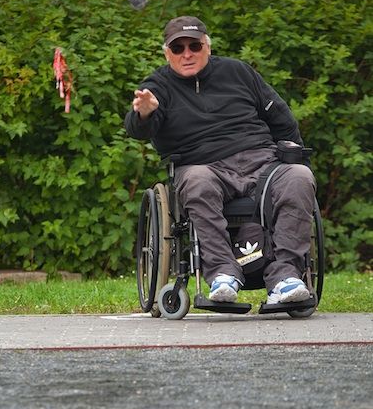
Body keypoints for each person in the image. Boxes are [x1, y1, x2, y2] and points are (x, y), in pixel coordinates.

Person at [125, 16, 316, 305]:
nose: (187, 54)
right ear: (167, 53)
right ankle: (222, 275)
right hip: (203, 166)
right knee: (197, 181)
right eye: (178, 48)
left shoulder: (238, 72)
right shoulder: (158, 86)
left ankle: (285, 278)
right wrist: (145, 113)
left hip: (260, 158)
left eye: (194, 45)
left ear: (207, 47)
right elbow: (137, 130)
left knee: (299, 176)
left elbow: (280, 116)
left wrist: (294, 151)